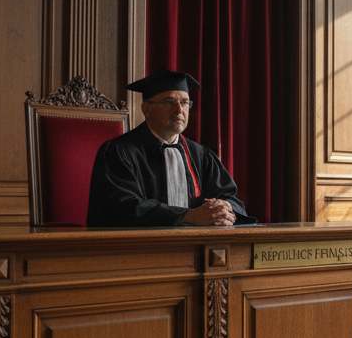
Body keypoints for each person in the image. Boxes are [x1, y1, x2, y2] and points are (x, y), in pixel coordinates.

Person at [87, 70, 254, 227]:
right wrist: (188, 216)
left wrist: (224, 208)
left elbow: (231, 199)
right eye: (169, 102)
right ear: (147, 109)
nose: (179, 110)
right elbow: (122, 208)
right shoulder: (118, 152)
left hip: (196, 247)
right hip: (137, 250)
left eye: (185, 102)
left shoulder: (201, 155)